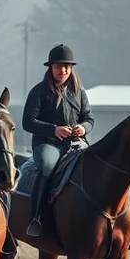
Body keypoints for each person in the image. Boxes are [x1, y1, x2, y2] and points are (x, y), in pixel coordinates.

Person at [22, 44, 94, 237]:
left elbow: (89, 118)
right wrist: (54, 130)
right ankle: (36, 217)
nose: (63, 70)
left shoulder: (79, 92)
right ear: (51, 67)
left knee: (98, 165)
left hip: (76, 144)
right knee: (47, 167)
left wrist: (83, 128)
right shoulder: (38, 92)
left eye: (67, 66)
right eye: (59, 66)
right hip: (47, 144)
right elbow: (27, 122)